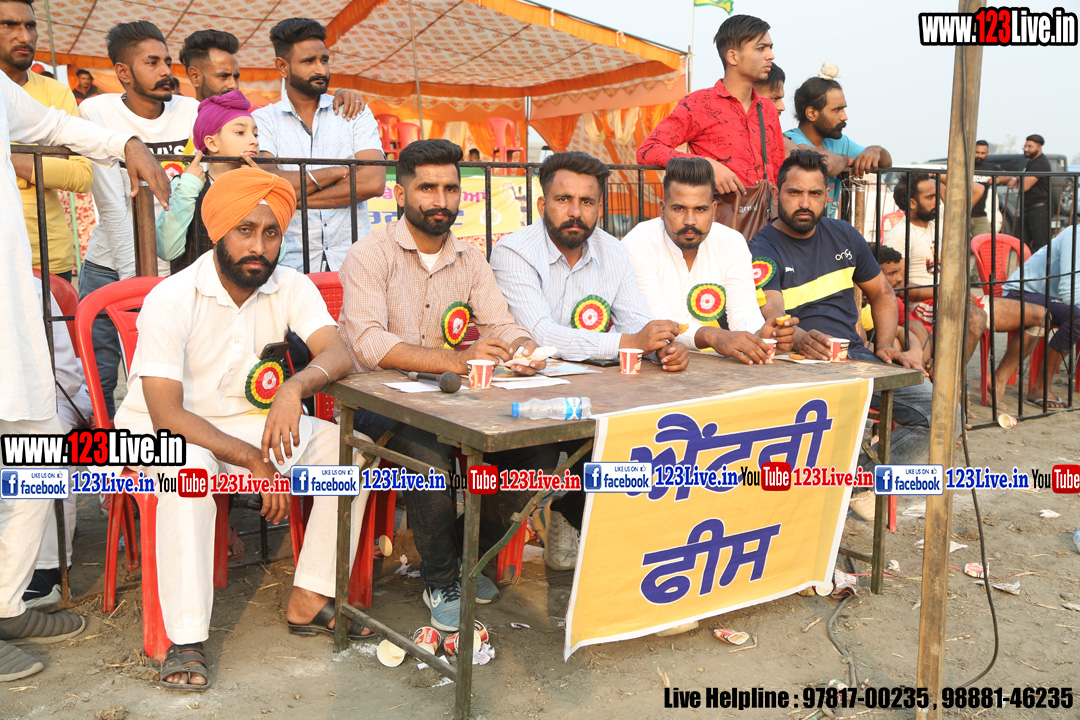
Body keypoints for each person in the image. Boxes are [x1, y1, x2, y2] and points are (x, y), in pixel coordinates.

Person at [113, 168, 365, 690]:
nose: (258, 246)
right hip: (163, 433)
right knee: (186, 475)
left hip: (248, 425)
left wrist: (294, 388)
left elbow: (337, 352)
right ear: (217, 232)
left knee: (352, 453)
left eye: (270, 233)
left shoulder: (288, 285)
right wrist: (254, 460)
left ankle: (310, 595)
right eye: (245, 230)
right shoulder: (172, 297)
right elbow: (167, 416)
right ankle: (185, 639)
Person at [0, 62, 170, 684]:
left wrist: (127, 144)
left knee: (38, 461)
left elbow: (53, 125)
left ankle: (5, 605)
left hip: (9, 321)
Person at [337, 139, 549, 631]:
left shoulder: (469, 257)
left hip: (451, 396)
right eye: (427, 188)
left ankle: (467, 559)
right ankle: (441, 579)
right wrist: (454, 359)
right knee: (427, 451)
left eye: (451, 189)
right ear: (400, 194)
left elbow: (500, 323)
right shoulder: (369, 254)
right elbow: (368, 343)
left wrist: (524, 350)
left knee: (535, 451)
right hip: (377, 395)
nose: (441, 200)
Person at [491, 151, 689, 568]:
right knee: (543, 456)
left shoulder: (613, 250)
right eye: (564, 200)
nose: (575, 212)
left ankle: (599, 532)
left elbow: (636, 321)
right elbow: (541, 334)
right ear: (542, 204)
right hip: (527, 392)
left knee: (646, 431)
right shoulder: (513, 251)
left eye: (587, 202)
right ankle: (609, 548)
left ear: (599, 206)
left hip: (596, 391)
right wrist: (628, 343)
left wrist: (661, 347)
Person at [748, 150, 933, 467]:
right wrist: (801, 339)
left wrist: (884, 345)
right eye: (795, 193)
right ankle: (850, 479)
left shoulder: (844, 234)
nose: (805, 203)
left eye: (814, 194)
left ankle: (857, 478)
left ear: (827, 196)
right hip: (795, 364)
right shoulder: (761, 248)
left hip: (855, 359)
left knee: (939, 410)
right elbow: (772, 311)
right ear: (777, 195)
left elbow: (883, 294)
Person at [78, 21, 199, 419]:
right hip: (109, 267)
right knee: (100, 376)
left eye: (167, 61)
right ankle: (105, 452)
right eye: (152, 63)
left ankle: (166, 449)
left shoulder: (190, 111)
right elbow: (113, 205)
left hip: (175, 270)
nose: (166, 71)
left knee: (170, 376)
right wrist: (140, 282)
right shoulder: (97, 111)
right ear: (123, 72)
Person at [884, 173, 1045, 406]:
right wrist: (945, 292)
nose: (937, 200)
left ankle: (998, 379)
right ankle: (951, 386)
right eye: (930, 197)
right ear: (912, 202)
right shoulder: (899, 236)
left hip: (956, 298)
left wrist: (937, 176)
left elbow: (978, 190)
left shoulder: (940, 220)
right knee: (975, 318)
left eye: (936, 195)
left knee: (1040, 316)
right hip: (923, 305)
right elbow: (898, 287)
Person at [623, 157, 797, 360]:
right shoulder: (639, 241)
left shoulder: (731, 242)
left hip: (716, 368)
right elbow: (654, 319)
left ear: (713, 210)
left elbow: (743, 311)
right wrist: (711, 336)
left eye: (700, 209)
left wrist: (760, 335)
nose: (690, 221)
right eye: (679, 209)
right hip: (650, 365)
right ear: (663, 210)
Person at [253, 18, 385, 273]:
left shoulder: (354, 111)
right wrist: (336, 173)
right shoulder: (263, 120)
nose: (321, 70)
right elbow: (268, 184)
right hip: (289, 262)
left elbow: (373, 182)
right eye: (308, 61)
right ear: (282, 66)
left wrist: (294, 198)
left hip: (354, 259)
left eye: (324, 60)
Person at [637, 14, 784, 198]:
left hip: (766, 213)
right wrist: (706, 166)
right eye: (761, 48)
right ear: (733, 57)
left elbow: (779, 172)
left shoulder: (767, 109)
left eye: (770, 47)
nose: (771, 55)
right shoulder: (699, 104)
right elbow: (648, 150)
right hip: (717, 213)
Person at [0, 0, 93, 282]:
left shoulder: (55, 92)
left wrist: (9, 157)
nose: (25, 37)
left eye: (30, 26)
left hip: (47, 253)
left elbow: (81, 175)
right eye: (9, 25)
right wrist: (41, 163)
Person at [21, 277, 92, 608]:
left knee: (40, 446)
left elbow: (64, 377)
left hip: (49, 397)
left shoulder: (30, 289)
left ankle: (49, 570)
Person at [155, 90, 271, 271]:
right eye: (240, 132)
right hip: (194, 286)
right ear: (212, 143)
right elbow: (166, 251)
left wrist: (257, 191)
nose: (253, 141)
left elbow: (277, 253)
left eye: (255, 134)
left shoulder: (258, 185)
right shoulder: (187, 184)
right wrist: (187, 189)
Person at [179, 29, 367, 113]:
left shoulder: (253, 115)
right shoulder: (175, 117)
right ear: (195, 77)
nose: (233, 85)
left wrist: (341, 94)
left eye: (235, 77)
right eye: (223, 76)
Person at [785, 77, 892, 218]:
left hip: (824, 229)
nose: (844, 117)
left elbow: (886, 164)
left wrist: (875, 150)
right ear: (812, 113)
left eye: (844, 109)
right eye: (837, 110)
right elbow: (825, 163)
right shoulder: (790, 139)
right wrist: (846, 160)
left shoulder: (839, 142)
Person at [1002, 224, 1080, 409]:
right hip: (1021, 293)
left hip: (1052, 297)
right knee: (1076, 317)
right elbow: (1069, 292)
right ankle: (1041, 388)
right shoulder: (1076, 235)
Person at [1008, 134, 1052, 251]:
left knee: (1040, 246)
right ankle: (1025, 263)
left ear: (1039, 148)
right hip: (1029, 208)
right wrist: (1015, 178)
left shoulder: (1040, 163)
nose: (1026, 149)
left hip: (1038, 209)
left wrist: (1018, 181)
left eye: (1030, 146)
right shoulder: (1031, 162)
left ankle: (1041, 264)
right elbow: (1023, 176)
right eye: (1025, 146)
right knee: (1022, 244)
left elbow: (1024, 186)